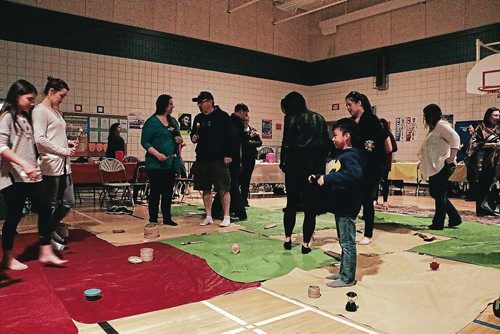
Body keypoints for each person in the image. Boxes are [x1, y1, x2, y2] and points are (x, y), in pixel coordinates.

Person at [311, 118, 366, 287]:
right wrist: (319, 178)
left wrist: (327, 179)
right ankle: (343, 272)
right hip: (340, 205)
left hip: (348, 206)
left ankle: (348, 277)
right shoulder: (341, 155)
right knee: (343, 240)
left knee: (348, 242)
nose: (333, 139)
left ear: (346, 136)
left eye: (335, 135)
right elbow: (337, 176)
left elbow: (355, 175)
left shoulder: (351, 155)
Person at [0, 80, 48, 269]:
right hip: (12, 176)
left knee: (45, 206)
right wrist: (23, 163)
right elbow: (2, 146)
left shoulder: (25, 118)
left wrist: (34, 164)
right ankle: (8, 256)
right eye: (29, 99)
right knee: (14, 215)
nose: (32, 103)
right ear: (16, 96)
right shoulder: (7, 117)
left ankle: (46, 246)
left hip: (28, 175)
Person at [279, 91, 330, 254]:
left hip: (295, 167)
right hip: (314, 169)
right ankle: (306, 244)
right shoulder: (319, 118)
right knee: (310, 208)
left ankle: (288, 239)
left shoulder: (291, 118)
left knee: (291, 205)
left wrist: (283, 163)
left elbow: (286, 143)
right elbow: (325, 144)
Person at [32, 76, 76, 259]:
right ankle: (46, 237)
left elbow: (55, 136)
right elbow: (40, 139)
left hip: (64, 163)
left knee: (68, 201)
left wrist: (68, 143)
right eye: (61, 95)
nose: (62, 99)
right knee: (49, 204)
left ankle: (49, 231)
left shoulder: (55, 111)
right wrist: (63, 150)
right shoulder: (40, 111)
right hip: (50, 164)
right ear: (51, 92)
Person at [345, 91, 389, 245]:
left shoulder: (371, 119)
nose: (348, 108)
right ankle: (350, 229)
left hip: (373, 165)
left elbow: (387, 146)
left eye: (349, 105)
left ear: (359, 103)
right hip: (356, 165)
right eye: (347, 106)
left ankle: (368, 233)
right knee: (353, 197)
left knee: (367, 198)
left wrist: (379, 161)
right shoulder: (350, 123)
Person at [190, 91, 233, 227]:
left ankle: (226, 216)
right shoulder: (198, 118)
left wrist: (229, 154)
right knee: (205, 188)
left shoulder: (223, 116)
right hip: (202, 158)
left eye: (200, 102)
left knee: (223, 188)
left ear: (209, 102)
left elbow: (230, 137)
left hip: (219, 158)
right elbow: (193, 134)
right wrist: (193, 138)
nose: (199, 105)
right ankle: (208, 215)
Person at [417, 103, 462, 230]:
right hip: (436, 165)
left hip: (442, 164)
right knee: (437, 194)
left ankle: (438, 223)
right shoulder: (435, 127)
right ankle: (454, 218)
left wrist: (452, 156)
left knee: (439, 194)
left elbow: (455, 138)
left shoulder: (441, 125)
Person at [141, 94, 183, 225]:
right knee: (155, 192)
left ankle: (167, 217)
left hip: (171, 163)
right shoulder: (151, 122)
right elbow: (145, 142)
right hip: (155, 164)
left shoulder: (173, 121)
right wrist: (157, 154)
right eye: (170, 104)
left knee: (167, 192)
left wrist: (179, 140)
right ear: (164, 105)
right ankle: (153, 218)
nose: (173, 106)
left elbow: (178, 137)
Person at [212, 103, 248, 221]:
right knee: (229, 186)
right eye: (246, 113)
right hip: (232, 158)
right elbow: (236, 140)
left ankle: (238, 212)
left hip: (231, 159)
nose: (247, 116)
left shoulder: (232, 121)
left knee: (228, 186)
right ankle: (219, 211)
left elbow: (234, 140)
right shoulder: (233, 121)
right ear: (241, 111)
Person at [468, 107, 500, 216]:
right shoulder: (481, 129)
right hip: (481, 162)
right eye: (495, 115)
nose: (497, 117)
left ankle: (490, 208)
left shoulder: (498, 129)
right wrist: (491, 145)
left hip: (496, 162)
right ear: (488, 116)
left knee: (493, 185)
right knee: (482, 185)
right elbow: (473, 144)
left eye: (498, 115)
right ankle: (480, 210)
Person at [240, 115, 262, 207]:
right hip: (241, 158)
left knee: (246, 179)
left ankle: (244, 200)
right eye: (243, 120)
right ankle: (238, 200)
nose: (245, 122)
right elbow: (240, 141)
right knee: (239, 179)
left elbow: (260, 142)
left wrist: (251, 142)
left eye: (246, 120)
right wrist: (249, 138)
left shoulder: (253, 130)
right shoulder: (239, 131)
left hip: (250, 158)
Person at [376, 118, 397, 210]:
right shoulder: (376, 134)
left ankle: (385, 201)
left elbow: (394, 148)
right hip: (377, 161)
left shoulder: (388, 134)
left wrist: (384, 150)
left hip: (385, 162)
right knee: (375, 182)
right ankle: (375, 199)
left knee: (385, 182)